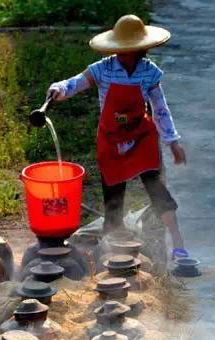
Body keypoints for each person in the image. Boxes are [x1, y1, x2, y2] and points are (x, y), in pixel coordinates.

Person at [47, 14, 190, 260]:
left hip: (141, 137)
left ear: (141, 50)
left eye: (130, 50)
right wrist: (59, 89)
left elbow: (160, 109)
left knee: (156, 188)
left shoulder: (149, 73)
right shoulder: (103, 69)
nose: (124, 55)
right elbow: (77, 82)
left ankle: (178, 244)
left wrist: (172, 142)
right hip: (112, 139)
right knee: (113, 192)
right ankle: (113, 242)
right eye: (120, 50)